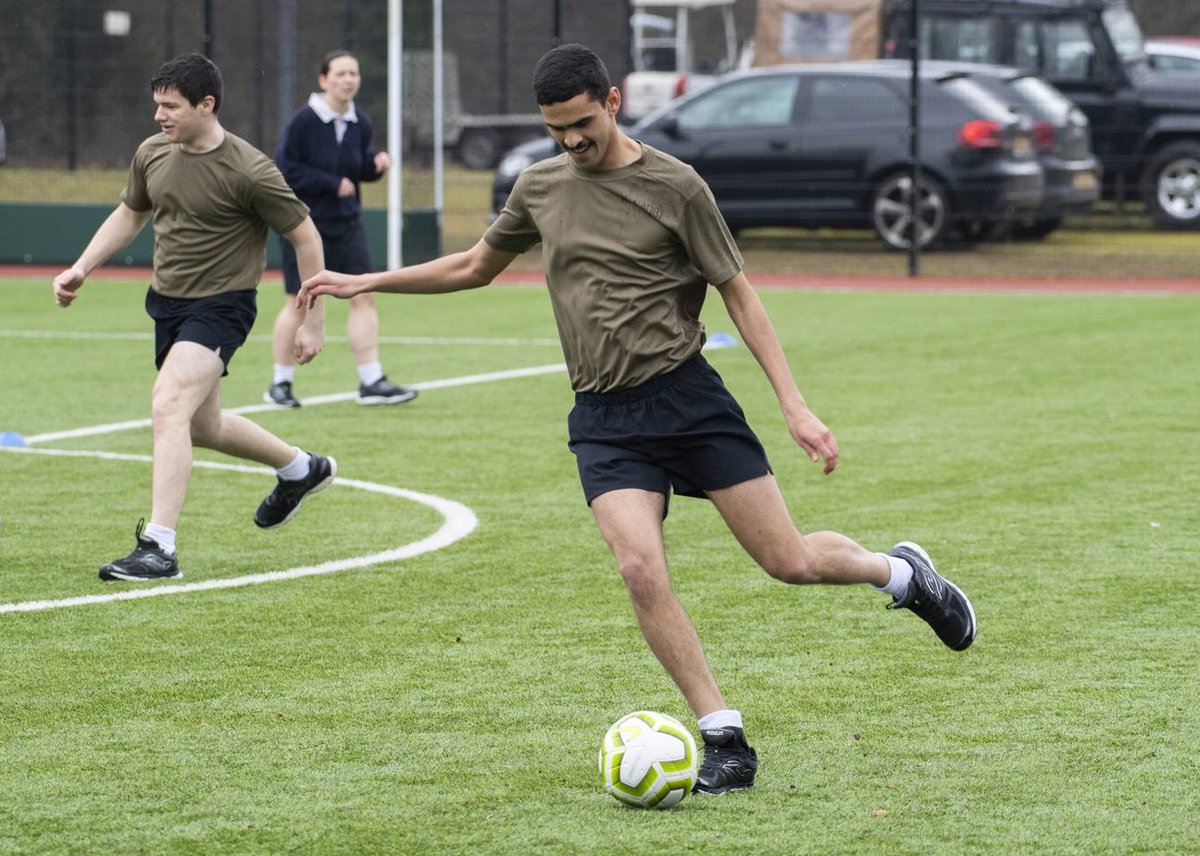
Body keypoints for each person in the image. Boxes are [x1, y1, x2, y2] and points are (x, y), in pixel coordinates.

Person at [297, 43, 976, 795]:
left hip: (688, 402)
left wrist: (794, 402)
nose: (571, 141)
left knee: (789, 562)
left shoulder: (676, 186)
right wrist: (367, 280)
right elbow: (474, 266)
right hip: (604, 418)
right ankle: (724, 737)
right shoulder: (540, 186)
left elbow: (739, 295)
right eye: (557, 129)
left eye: (582, 123)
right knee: (638, 569)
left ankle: (901, 575)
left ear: (613, 102)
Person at [52, 53, 338, 582]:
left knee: (168, 404)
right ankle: (301, 469)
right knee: (203, 426)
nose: (159, 116)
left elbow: (306, 237)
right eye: (157, 105)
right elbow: (131, 213)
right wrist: (81, 267)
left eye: (171, 106)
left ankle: (159, 547)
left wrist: (313, 320)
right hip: (167, 304)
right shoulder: (152, 153)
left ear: (206, 105)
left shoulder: (250, 169)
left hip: (223, 306)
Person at [264, 50, 417, 409]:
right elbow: (285, 169)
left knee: (364, 296)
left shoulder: (360, 121)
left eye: (354, 73)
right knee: (299, 302)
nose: (348, 80)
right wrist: (331, 184)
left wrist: (375, 165)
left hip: (347, 224)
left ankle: (371, 381)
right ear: (323, 80)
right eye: (341, 73)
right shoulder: (302, 122)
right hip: (304, 227)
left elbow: (358, 167)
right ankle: (280, 384)